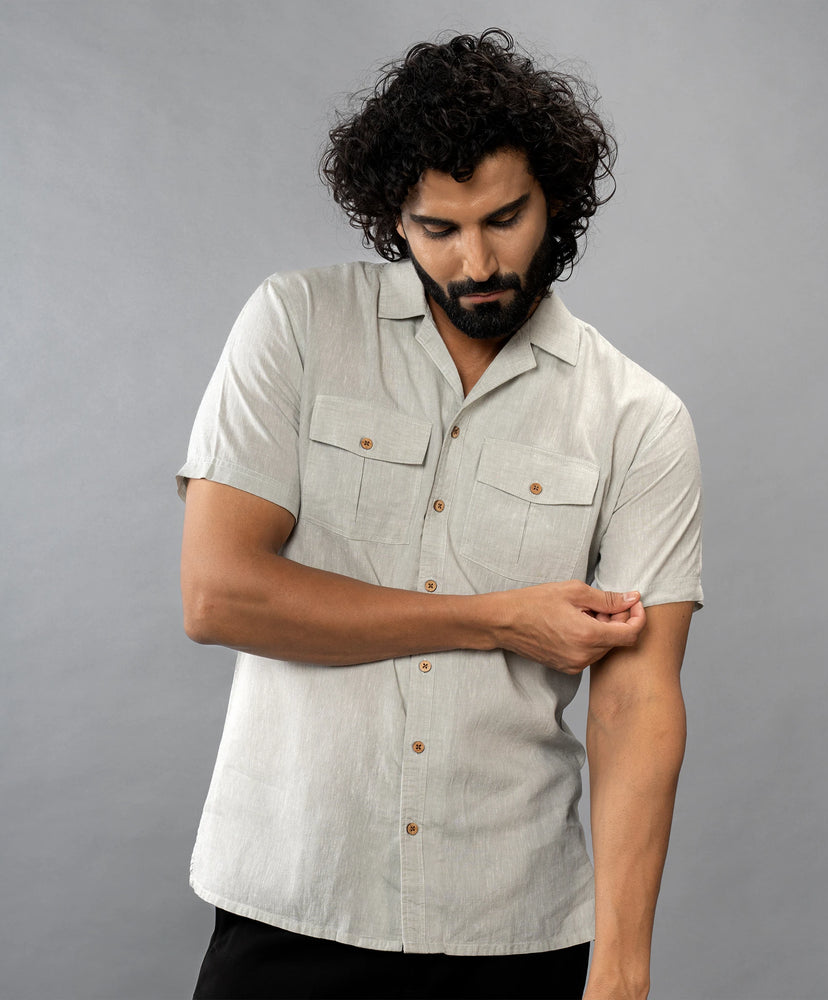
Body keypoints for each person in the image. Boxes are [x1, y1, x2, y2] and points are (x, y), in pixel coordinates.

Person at [178, 28, 702, 1000]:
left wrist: (622, 970)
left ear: (555, 198)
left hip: (511, 925)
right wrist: (497, 618)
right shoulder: (296, 326)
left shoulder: (639, 418)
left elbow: (636, 700)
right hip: (292, 899)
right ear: (393, 218)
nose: (477, 260)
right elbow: (220, 595)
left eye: (505, 218)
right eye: (438, 229)